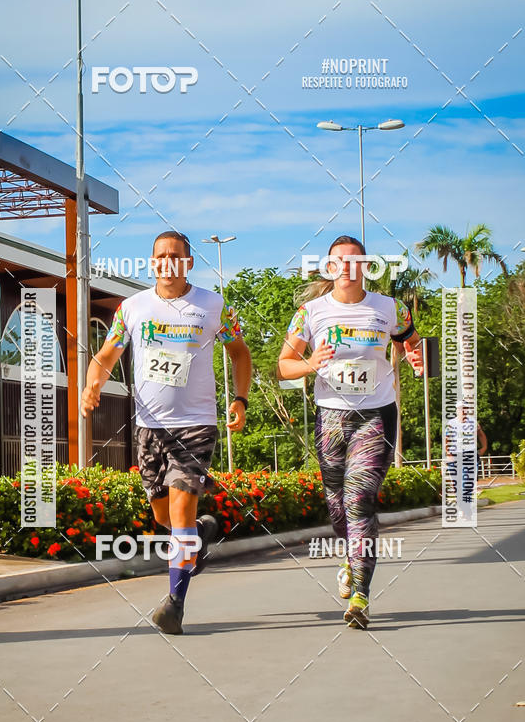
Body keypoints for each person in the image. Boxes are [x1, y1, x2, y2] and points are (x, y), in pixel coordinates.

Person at [81, 231, 252, 634]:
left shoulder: (213, 306)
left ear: (188, 263)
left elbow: (240, 353)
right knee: (165, 515)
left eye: (176, 256)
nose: (167, 262)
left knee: (178, 514)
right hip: (149, 428)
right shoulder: (133, 308)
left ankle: (174, 603)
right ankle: (202, 532)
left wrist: (240, 399)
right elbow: (105, 356)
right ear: (152, 262)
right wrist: (93, 385)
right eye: (160, 256)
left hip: (195, 425)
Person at [278, 235, 424, 629]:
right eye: (339, 262)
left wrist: (415, 357)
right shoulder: (310, 313)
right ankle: (351, 554)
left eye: (355, 261)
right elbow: (284, 366)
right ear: (329, 268)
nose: (347, 268)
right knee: (337, 508)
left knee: (359, 499)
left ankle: (361, 595)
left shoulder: (390, 309)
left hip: (376, 413)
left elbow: (411, 341)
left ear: (367, 267)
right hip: (330, 417)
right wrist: (310, 364)